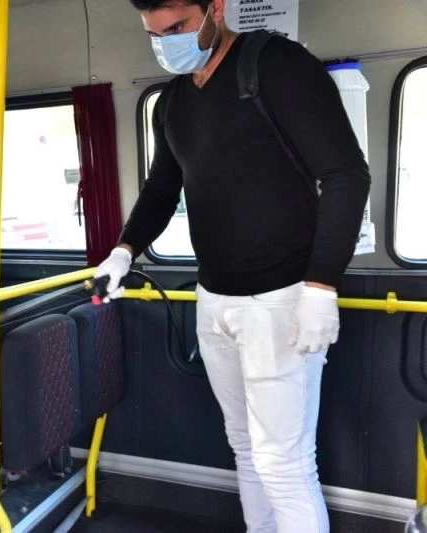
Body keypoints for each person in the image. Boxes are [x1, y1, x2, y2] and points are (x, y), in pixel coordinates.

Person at [94, 1, 371, 532]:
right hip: (214, 298)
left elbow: (345, 176)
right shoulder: (171, 102)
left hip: (282, 297)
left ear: (215, 8)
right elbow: (161, 190)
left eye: (178, 27)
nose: (167, 44)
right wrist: (123, 251)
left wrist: (321, 287)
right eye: (155, 35)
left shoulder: (277, 66)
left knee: (283, 462)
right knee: (244, 446)